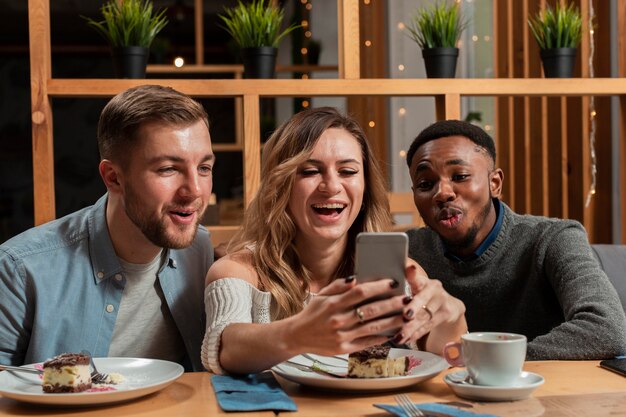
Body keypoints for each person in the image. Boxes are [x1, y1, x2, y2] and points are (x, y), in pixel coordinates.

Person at [201, 107, 467, 375]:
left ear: (365, 186)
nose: (331, 186)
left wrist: (453, 315)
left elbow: (450, 358)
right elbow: (226, 348)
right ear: (280, 185)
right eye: (309, 171)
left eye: (347, 171)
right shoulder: (237, 270)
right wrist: (301, 333)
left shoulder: (401, 273)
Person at [0, 85, 214, 370]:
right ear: (113, 177)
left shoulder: (198, 250)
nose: (195, 191)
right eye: (168, 169)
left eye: (204, 168)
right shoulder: (20, 269)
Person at [405, 119, 626, 360]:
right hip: (441, 393)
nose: (443, 193)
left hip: (546, 392)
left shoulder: (554, 238)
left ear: (495, 183)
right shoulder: (409, 250)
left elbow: (607, 329)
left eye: (460, 176)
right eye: (426, 184)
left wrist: (484, 360)